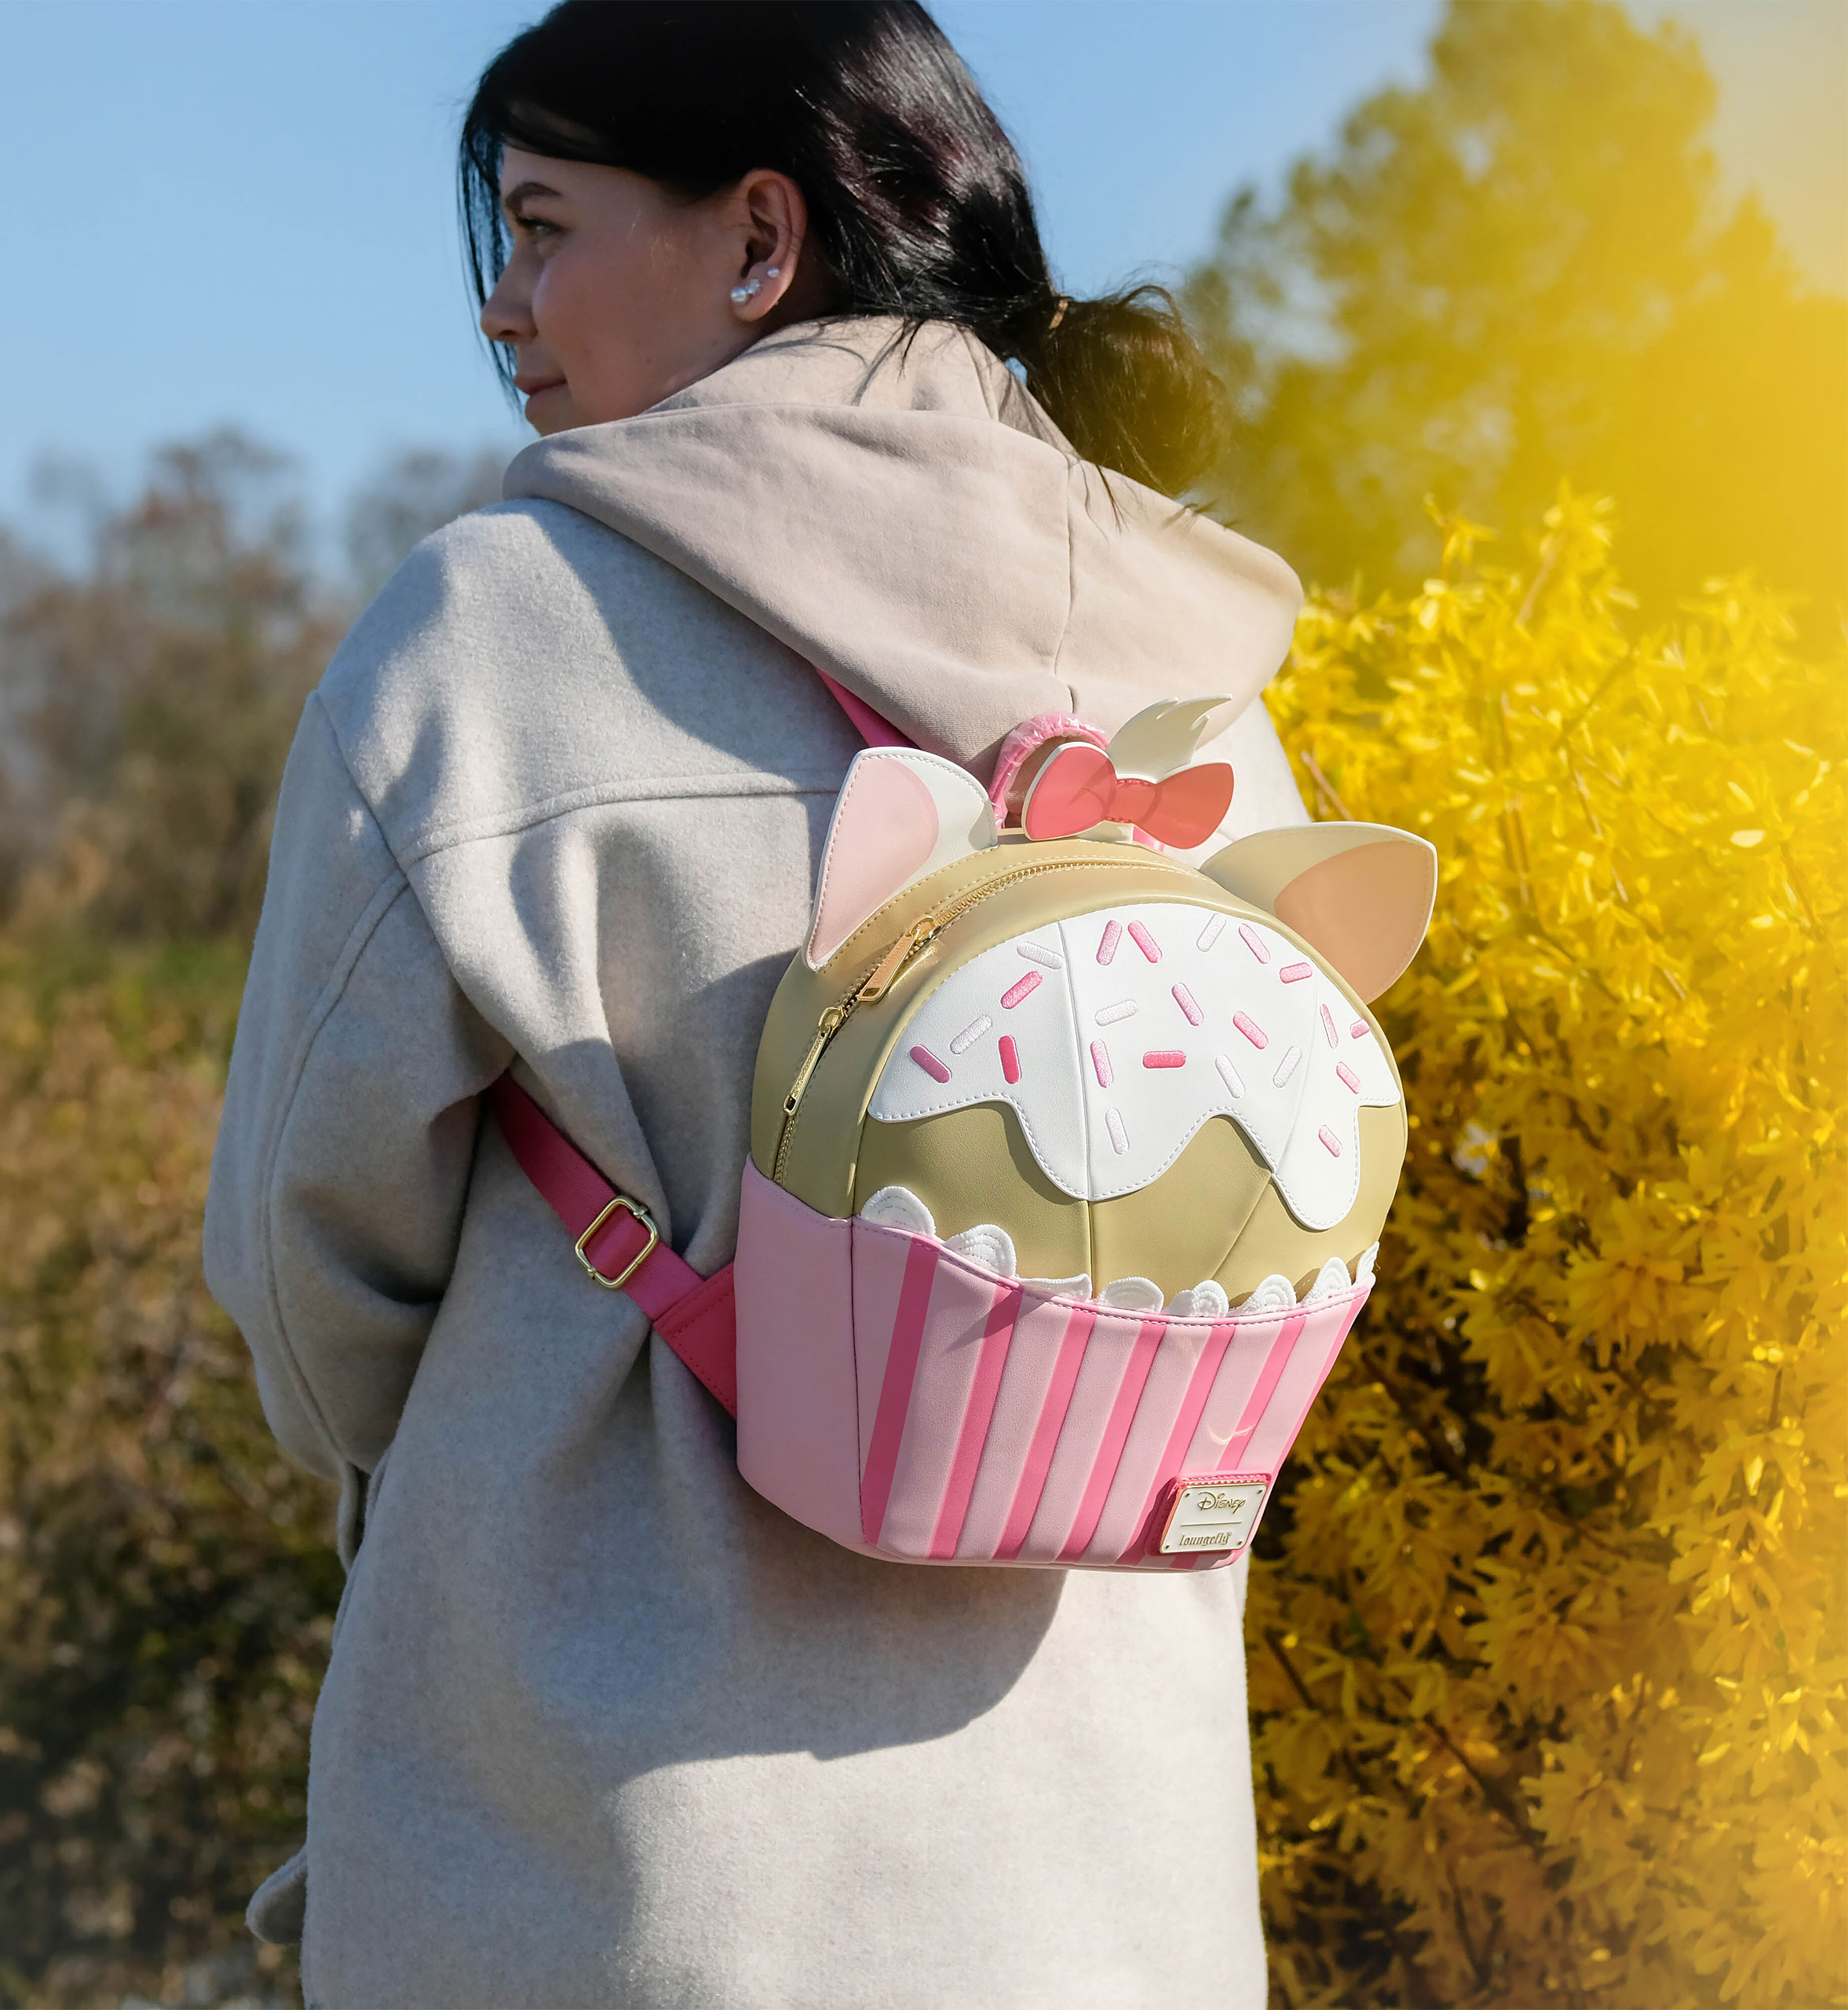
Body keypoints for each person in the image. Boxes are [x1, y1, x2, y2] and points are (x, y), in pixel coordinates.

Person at [204, 5, 1308, 2004]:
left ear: (757, 240)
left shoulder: (492, 632)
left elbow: (304, 1254)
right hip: (1109, 1871)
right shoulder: (1197, 663)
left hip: (608, 1857)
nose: (501, 303)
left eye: (543, 226)